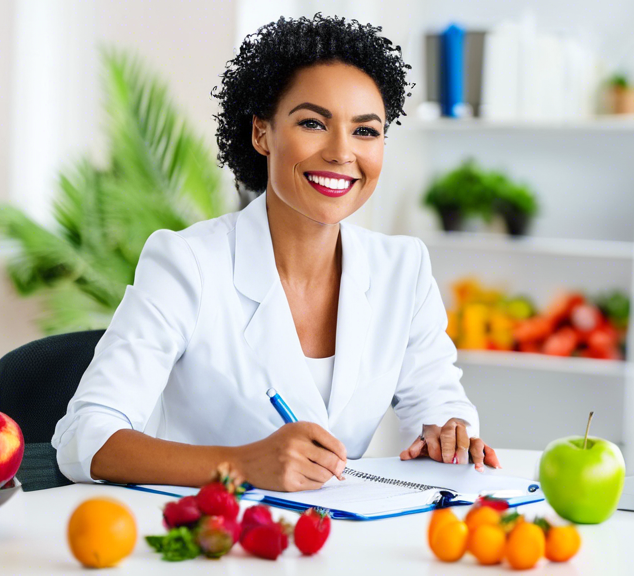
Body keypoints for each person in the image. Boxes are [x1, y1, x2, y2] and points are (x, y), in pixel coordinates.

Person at [51, 13, 500, 492]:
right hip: (208, 543)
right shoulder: (188, 263)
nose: (342, 152)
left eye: (366, 131)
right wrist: (240, 466)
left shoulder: (402, 270)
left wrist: (449, 434)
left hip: (335, 546)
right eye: (313, 123)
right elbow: (85, 437)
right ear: (262, 133)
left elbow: (438, 405)